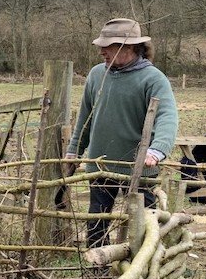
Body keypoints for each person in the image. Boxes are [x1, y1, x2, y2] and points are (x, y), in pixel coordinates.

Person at [65, 18, 179, 248]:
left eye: (108, 46)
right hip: (100, 164)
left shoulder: (153, 79)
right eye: (101, 46)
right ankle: (97, 267)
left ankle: (143, 266)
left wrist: (157, 151)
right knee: (97, 220)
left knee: (145, 221)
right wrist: (73, 151)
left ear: (129, 47)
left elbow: (167, 117)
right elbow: (85, 119)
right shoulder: (97, 75)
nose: (101, 52)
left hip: (139, 166)